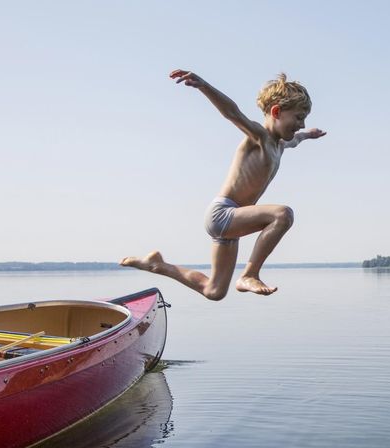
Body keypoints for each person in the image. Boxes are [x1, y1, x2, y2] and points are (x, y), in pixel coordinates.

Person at [121, 69, 326, 300]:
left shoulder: (280, 144)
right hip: (223, 214)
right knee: (283, 215)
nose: (301, 124)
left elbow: (296, 139)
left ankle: (157, 265)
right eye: (298, 118)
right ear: (277, 112)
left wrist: (310, 134)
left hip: (232, 224)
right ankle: (250, 274)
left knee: (214, 291)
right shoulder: (259, 136)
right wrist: (203, 85)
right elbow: (232, 113)